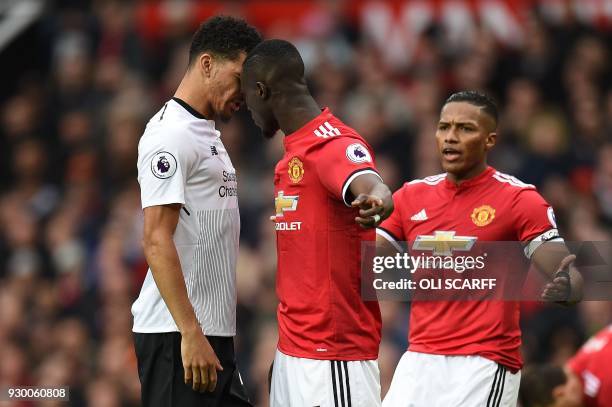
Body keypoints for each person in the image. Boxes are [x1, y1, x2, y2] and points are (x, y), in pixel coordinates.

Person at [377, 91, 583, 406]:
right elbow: (365, 257)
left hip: (484, 362)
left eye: (465, 128)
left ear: (490, 140)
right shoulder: (409, 197)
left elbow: (563, 266)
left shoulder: (519, 199)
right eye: (444, 127)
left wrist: (567, 283)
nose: (451, 137)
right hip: (420, 360)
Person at [241, 39, 394, 407]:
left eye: (247, 97)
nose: (246, 109)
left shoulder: (332, 144)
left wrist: (379, 198)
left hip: (333, 359)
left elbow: (370, 181)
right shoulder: (290, 158)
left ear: (262, 91)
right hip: (292, 352)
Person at [131, 16, 261, 407]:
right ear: (207, 64)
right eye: (240, 77)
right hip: (177, 337)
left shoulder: (205, 133)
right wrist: (189, 332)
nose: (246, 93)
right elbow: (155, 239)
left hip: (211, 334)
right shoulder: (170, 135)